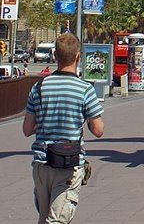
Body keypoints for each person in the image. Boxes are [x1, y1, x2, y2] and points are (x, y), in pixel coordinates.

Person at [23, 33, 104, 224]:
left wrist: (46, 121)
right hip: (68, 164)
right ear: (78, 57)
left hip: (42, 165)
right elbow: (98, 130)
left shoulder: (39, 87)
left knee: (45, 219)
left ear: (55, 55)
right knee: (57, 221)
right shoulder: (85, 89)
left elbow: (27, 129)